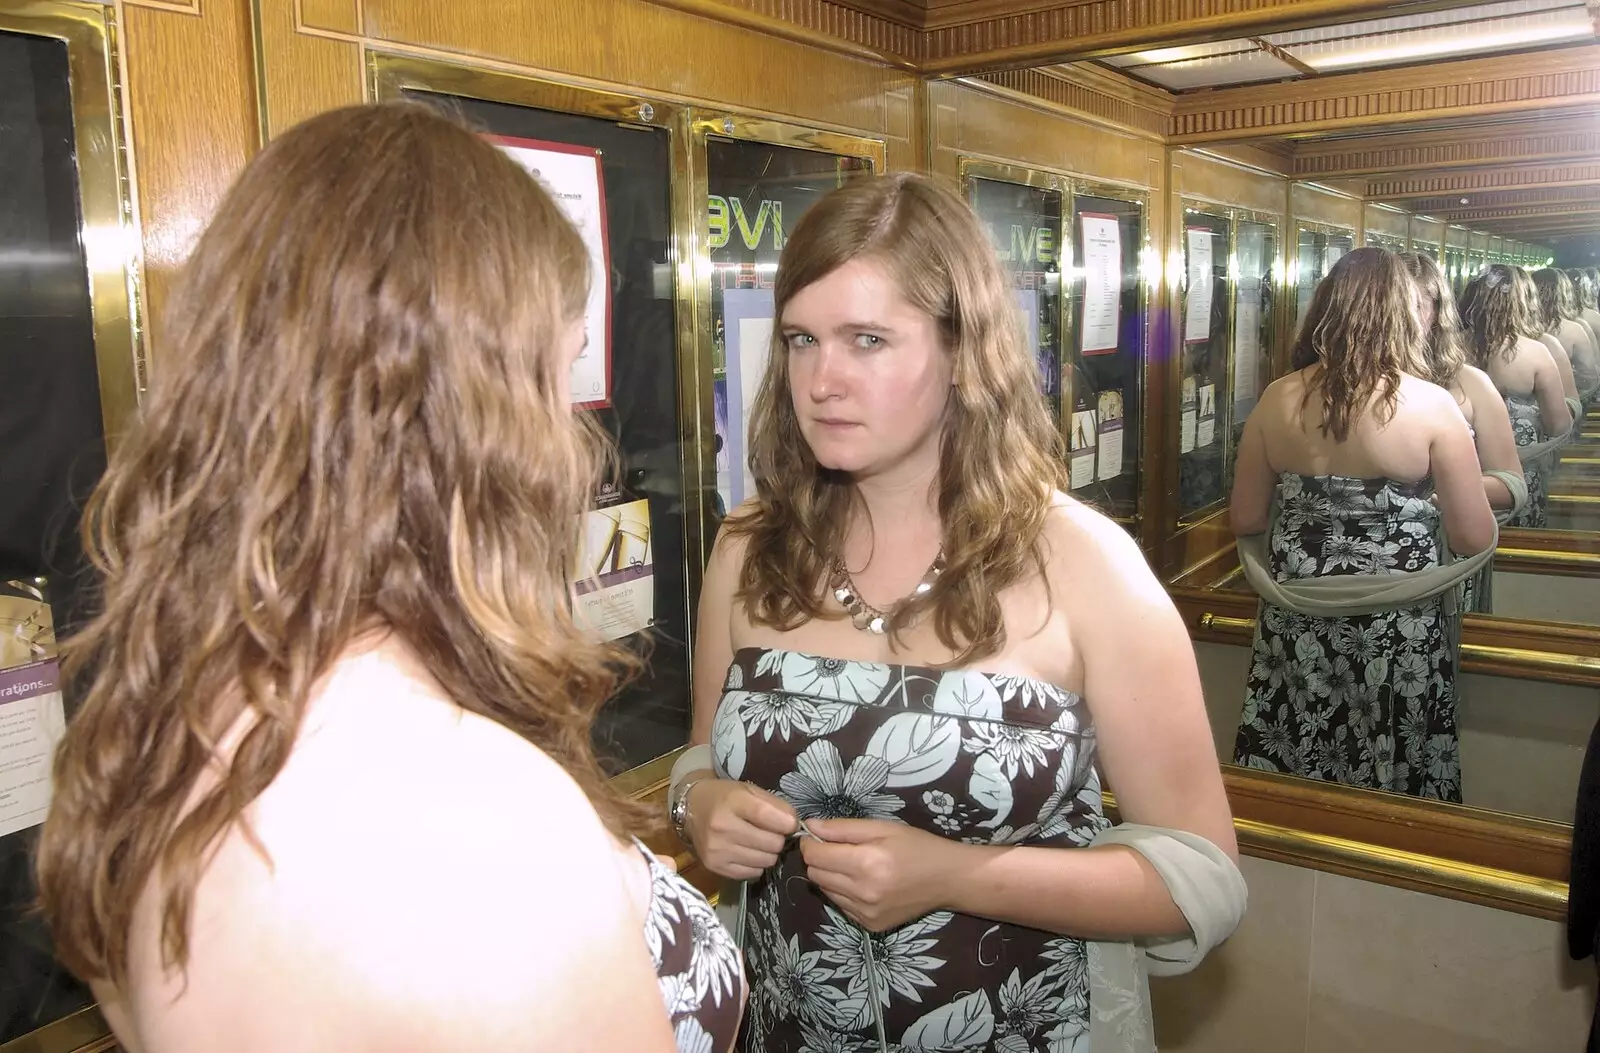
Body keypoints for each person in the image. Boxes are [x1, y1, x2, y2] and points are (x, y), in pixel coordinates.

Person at [34, 104, 742, 1053]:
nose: (576, 450)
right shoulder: (482, 824)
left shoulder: (155, 736)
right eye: (556, 377)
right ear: (485, 423)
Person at [672, 173, 1240, 1053]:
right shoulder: (749, 546)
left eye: (868, 340)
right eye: (800, 339)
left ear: (962, 350)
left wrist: (958, 876)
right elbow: (706, 762)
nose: (822, 380)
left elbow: (1200, 878)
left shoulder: (1084, 565)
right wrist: (699, 804)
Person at [1230, 247, 1496, 802]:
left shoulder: (1278, 399)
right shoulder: (1431, 406)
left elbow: (1247, 517)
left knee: (1299, 762)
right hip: (1398, 629)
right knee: (1394, 767)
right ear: (1401, 314)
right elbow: (1473, 536)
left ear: (1325, 307)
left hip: (1298, 622)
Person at [1402, 252, 1524, 613]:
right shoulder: (1351, 388)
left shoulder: (1470, 385)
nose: (1398, 320)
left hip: (1447, 560)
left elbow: (1512, 486)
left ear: (1437, 312)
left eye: (1415, 306)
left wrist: (1441, 492)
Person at [1460, 265, 1576, 529]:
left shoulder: (1448, 349)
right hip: (1517, 472)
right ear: (1524, 302)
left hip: (1463, 475)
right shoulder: (1536, 353)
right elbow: (1559, 425)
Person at [1532, 267, 1597, 402]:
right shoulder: (1574, 330)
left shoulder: (1518, 329)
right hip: (1564, 401)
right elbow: (1590, 379)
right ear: (1564, 293)